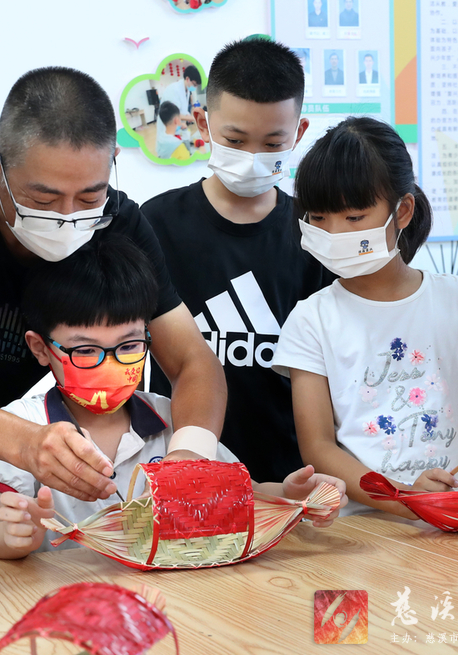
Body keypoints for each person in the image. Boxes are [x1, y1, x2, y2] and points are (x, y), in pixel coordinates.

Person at [0, 67, 227, 520]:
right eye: (43, 200)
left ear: (111, 162)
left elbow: (193, 359)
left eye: (89, 198)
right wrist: (24, 443)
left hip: (25, 461)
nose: (67, 217)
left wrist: (189, 456)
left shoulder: (119, 222)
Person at [0, 236, 346, 559]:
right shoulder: (17, 429)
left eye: (129, 346)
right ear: (40, 348)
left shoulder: (174, 421)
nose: (110, 365)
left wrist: (291, 495)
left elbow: (246, 495)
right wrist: (15, 535)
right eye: (85, 351)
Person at [272, 117, 458, 517]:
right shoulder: (311, 319)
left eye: (353, 218)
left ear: (402, 211)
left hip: (454, 519)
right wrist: (407, 498)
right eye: (318, 218)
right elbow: (318, 447)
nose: (334, 233)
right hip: (362, 529)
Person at [142, 39, 328, 485]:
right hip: (178, 471)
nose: (251, 159)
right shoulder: (154, 224)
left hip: (288, 479)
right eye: (235, 141)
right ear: (203, 122)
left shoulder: (315, 232)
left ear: (299, 132)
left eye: (273, 143)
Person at [156, 65, 201, 149]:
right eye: (194, 84)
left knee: (180, 146)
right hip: (168, 125)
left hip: (177, 126)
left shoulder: (186, 90)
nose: (195, 87)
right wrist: (194, 118)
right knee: (170, 149)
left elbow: (182, 109)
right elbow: (172, 114)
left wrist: (189, 116)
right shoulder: (174, 89)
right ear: (187, 79)